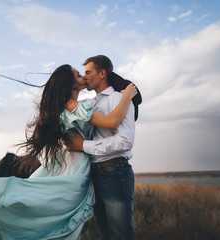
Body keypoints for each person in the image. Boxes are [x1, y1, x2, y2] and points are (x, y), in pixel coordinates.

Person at [0, 64, 137, 240]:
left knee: (52, 221)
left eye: (84, 73)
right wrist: (127, 96)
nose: (83, 77)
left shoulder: (70, 107)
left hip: (75, 165)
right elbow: (111, 122)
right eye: (78, 75)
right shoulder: (74, 107)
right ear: (70, 83)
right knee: (55, 223)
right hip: (75, 170)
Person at [66, 55, 139, 240]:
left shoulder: (118, 99)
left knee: (120, 235)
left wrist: (84, 145)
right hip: (95, 174)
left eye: (88, 72)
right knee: (105, 234)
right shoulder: (92, 104)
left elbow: (125, 141)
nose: (85, 76)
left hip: (115, 171)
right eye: (83, 73)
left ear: (102, 73)